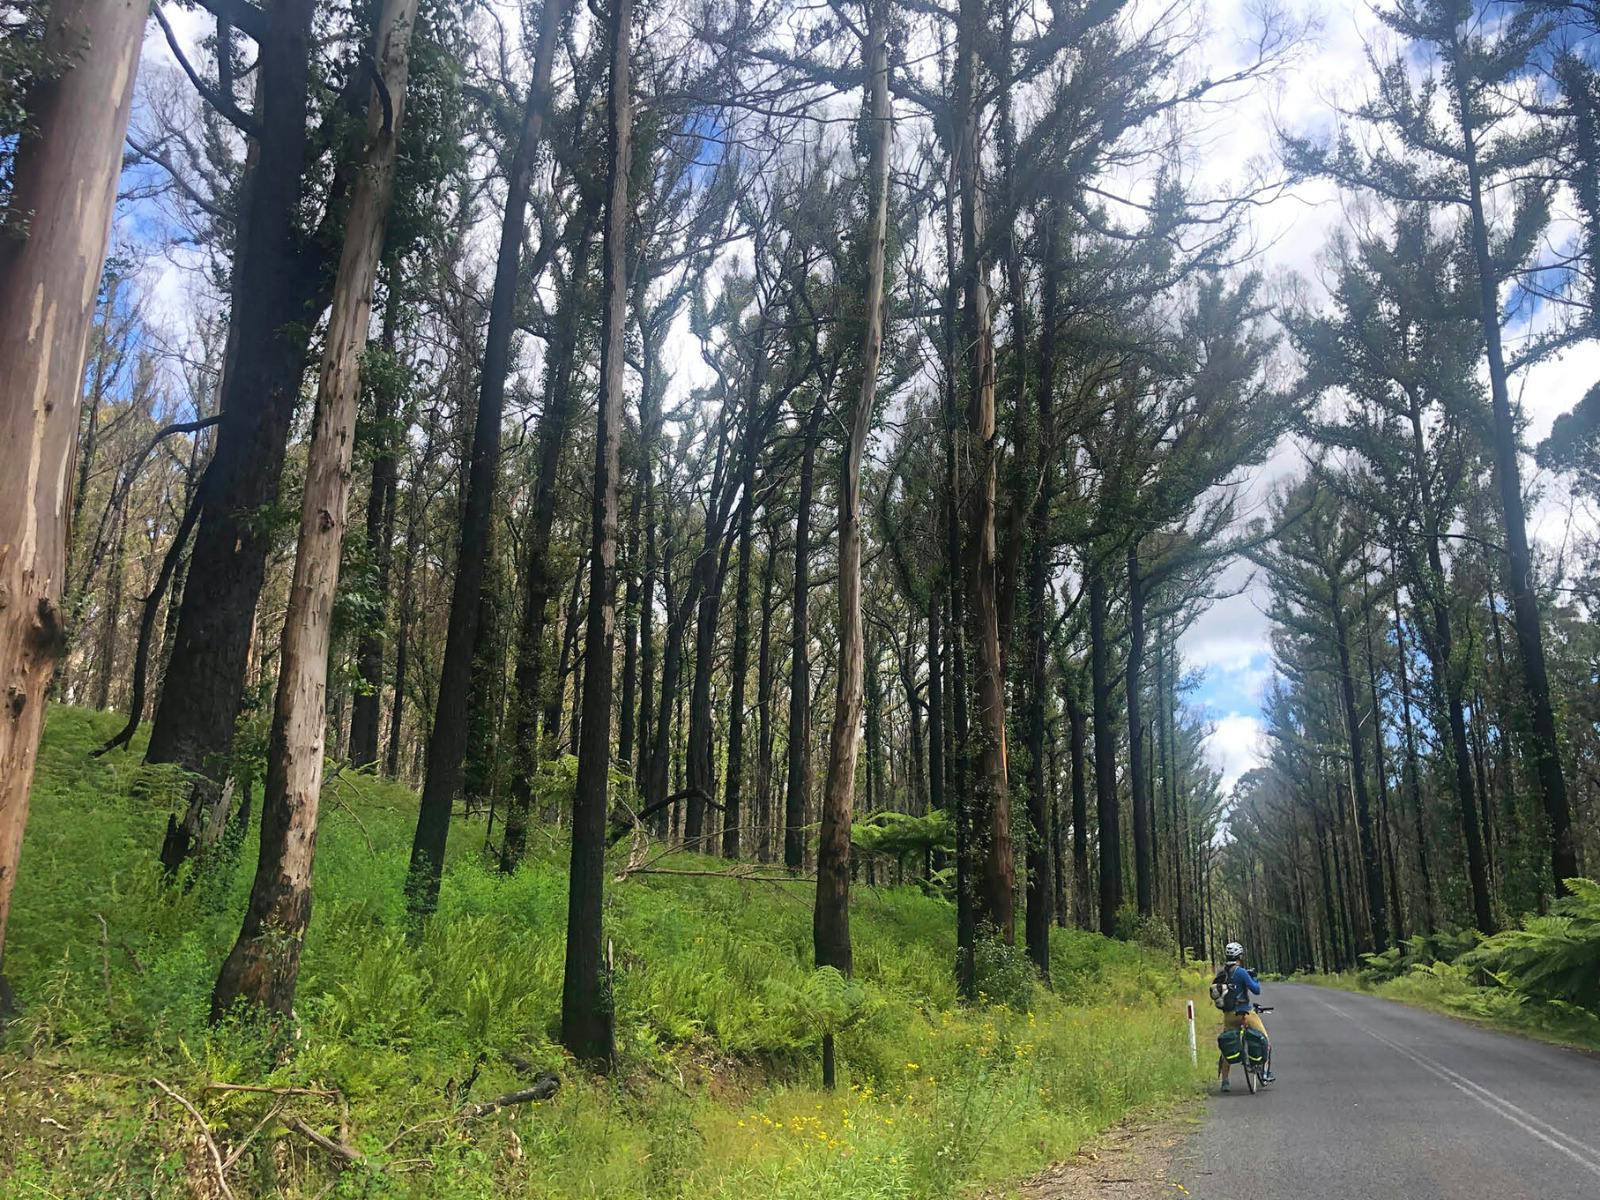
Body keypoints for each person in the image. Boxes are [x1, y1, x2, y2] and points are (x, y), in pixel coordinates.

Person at [1216, 941, 1274, 1091]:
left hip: (1228, 1015)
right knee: (1265, 1040)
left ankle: (1225, 1081)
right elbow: (1256, 990)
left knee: (1227, 1045)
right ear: (1239, 956)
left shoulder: (1222, 973)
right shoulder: (1241, 972)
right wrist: (1254, 977)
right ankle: (1266, 1072)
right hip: (1245, 1014)